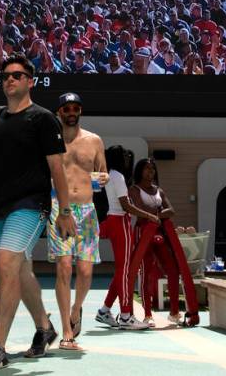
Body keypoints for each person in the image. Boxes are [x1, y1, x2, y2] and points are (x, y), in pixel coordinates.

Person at [0, 54, 76, 371]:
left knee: (7, 263)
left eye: (17, 75)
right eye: (5, 76)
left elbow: (57, 168)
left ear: (30, 80)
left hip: (30, 204)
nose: (9, 80)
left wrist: (64, 210)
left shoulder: (43, 119)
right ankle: (44, 326)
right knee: (20, 269)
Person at [49, 92, 108, 350]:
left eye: (75, 108)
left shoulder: (94, 140)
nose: (71, 112)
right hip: (59, 207)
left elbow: (102, 172)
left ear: (80, 111)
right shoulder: (50, 139)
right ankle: (65, 329)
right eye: (66, 108)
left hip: (86, 209)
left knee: (85, 271)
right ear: (59, 112)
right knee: (63, 267)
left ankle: (76, 309)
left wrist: (103, 179)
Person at [96, 146, 150, 331]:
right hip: (120, 222)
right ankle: (126, 315)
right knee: (126, 270)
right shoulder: (117, 176)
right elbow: (125, 206)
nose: (128, 158)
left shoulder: (108, 174)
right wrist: (149, 216)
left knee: (121, 269)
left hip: (112, 220)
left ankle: (104, 310)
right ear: (118, 158)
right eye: (125, 155)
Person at [128, 158, 183, 327]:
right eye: (146, 169)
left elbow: (171, 210)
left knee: (172, 269)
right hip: (143, 232)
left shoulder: (159, 190)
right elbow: (140, 209)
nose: (150, 172)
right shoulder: (134, 189)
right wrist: (159, 212)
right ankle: (147, 314)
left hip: (160, 232)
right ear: (140, 171)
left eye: (152, 169)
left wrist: (156, 214)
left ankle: (174, 312)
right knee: (146, 272)